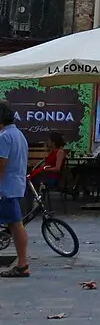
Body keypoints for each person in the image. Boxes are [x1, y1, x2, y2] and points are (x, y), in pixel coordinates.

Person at [0, 100, 29, 277]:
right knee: (16, 225)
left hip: (5, 188)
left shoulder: (4, 137)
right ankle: (22, 264)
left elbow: (1, 164)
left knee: (16, 225)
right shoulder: (18, 134)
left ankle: (23, 264)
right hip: (15, 185)